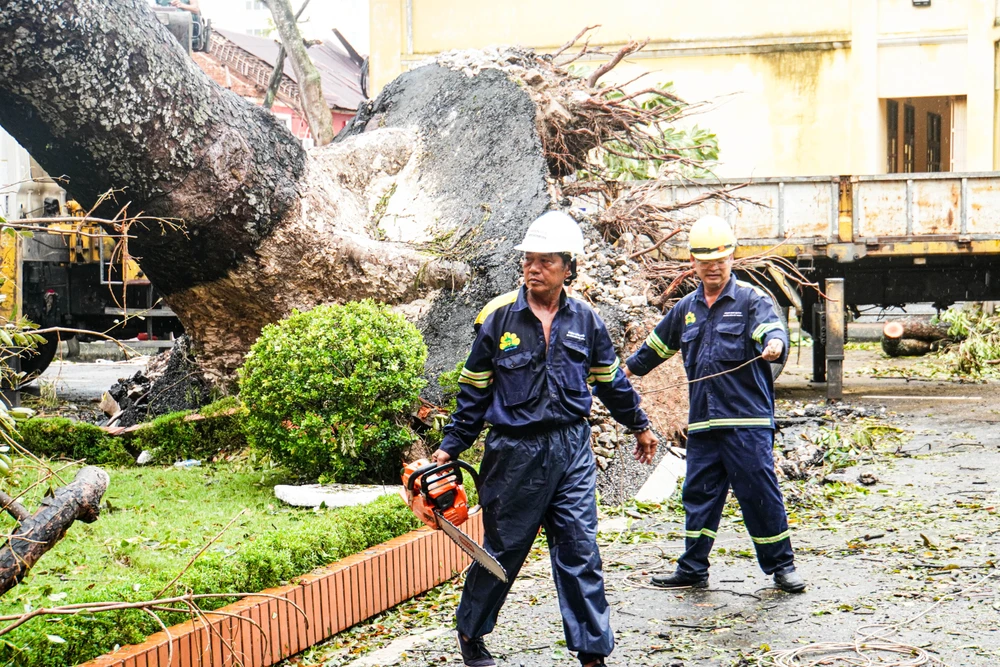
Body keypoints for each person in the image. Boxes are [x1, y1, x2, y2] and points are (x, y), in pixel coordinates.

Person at [433, 210, 659, 667]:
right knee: (503, 551)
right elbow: (473, 392)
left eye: (544, 261)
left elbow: (611, 381)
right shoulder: (497, 320)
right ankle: (471, 635)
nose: (533, 269)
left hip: (571, 449)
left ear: (568, 268)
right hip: (514, 453)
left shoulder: (587, 321)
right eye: (527, 261)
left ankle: (592, 652)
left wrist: (639, 424)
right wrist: (449, 447)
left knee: (580, 548)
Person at [624, 215, 806, 594]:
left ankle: (782, 567)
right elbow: (657, 346)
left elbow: (772, 331)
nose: (712, 267)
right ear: (693, 261)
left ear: (731, 258)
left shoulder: (752, 301)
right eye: (705, 260)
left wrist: (774, 346)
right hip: (705, 425)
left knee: (759, 494)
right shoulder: (686, 309)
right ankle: (692, 568)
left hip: (747, 423)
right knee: (699, 496)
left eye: (719, 260)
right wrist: (627, 372)